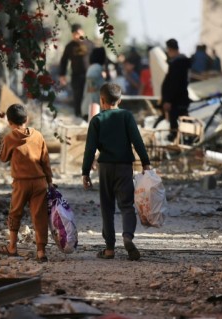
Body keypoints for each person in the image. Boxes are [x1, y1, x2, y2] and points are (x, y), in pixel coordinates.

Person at [81, 83, 152, 261]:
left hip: (105, 168)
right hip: (124, 167)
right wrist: (146, 163)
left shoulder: (97, 120)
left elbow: (90, 149)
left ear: (101, 100)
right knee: (127, 205)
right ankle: (127, 236)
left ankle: (110, 249)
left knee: (107, 207)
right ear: (120, 100)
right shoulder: (126, 116)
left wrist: (85, 173)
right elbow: (137, 140)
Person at [0, 104, 54, 263]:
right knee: (40, 216)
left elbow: (3, 158)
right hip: (39, 182)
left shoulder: (9, 138)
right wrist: (49, 181)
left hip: (21, 184)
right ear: (27, 119)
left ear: (9, 122)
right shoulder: (38, 136)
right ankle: (41, 252)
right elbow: (45, 161)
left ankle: (12, 247)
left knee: (15, 213)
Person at [59, 23, 94, 117]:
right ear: (72, 35)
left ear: (82, 32)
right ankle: (78, 115)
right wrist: (62, 75)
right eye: (75, 34)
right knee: (77, 96)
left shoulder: (90, 44)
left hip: (90, 76)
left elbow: (98, 58)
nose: (77, 36)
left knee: (89, 97)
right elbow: (64, 61)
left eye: (79, 33)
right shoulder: (70, 46)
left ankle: (88, 117)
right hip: (76, 75)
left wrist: (102, 71)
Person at [161, 38, 191, 141]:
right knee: (182, 120)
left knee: (177, 122)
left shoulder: (178, 63)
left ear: (170, 49)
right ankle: (184, 139)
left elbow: (174, 84)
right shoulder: (179, 62)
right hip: (179, 99)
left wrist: (168, 100)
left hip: (176, 100)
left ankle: (180, 141)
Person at [81, 47, 107, 121]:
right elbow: (91, 77)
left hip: (92, 108)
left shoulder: (94, 67)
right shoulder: (96, 67)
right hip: (92, 108)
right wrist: (93, 86)